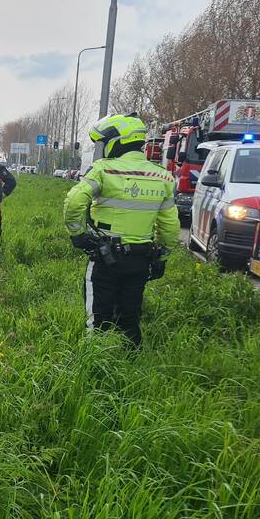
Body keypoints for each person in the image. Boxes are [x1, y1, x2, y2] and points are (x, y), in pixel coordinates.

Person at [63, 114, 180, 347]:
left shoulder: (104, 170)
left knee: (98, 319)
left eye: (105, 142)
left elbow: (74, 202)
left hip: (105, 257)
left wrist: (78, 235)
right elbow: (170, 227)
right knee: (130, 316)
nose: (104, 147)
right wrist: (162, 256)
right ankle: (130, 364)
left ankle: (96, 366)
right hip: (140, 258)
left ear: (118, 140)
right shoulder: (163, 177)